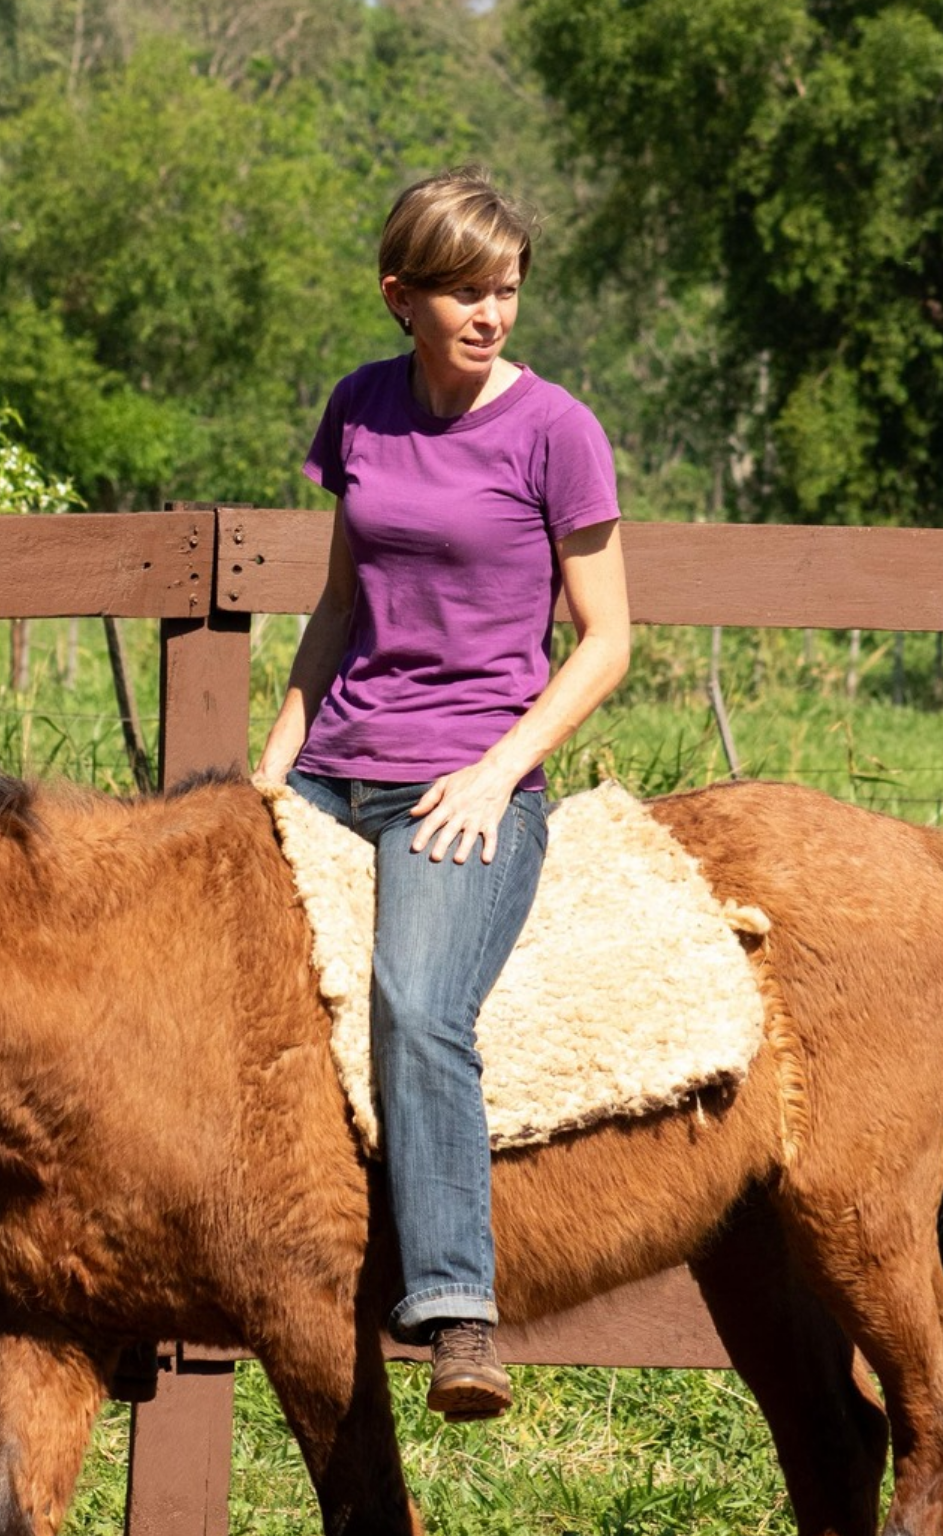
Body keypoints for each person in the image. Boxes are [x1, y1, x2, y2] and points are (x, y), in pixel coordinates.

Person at [255, 169, 631, 1422]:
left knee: (416, 1003)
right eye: (466, 291)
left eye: (506, 290)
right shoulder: (359, 408)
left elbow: (606, 640)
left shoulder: (555, 431)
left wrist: (493, 771)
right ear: (398, 296)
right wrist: (276, 756)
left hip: (466, 778)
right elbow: (337, 606)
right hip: (335, 757)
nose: (490, 314)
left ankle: (455, 1305)